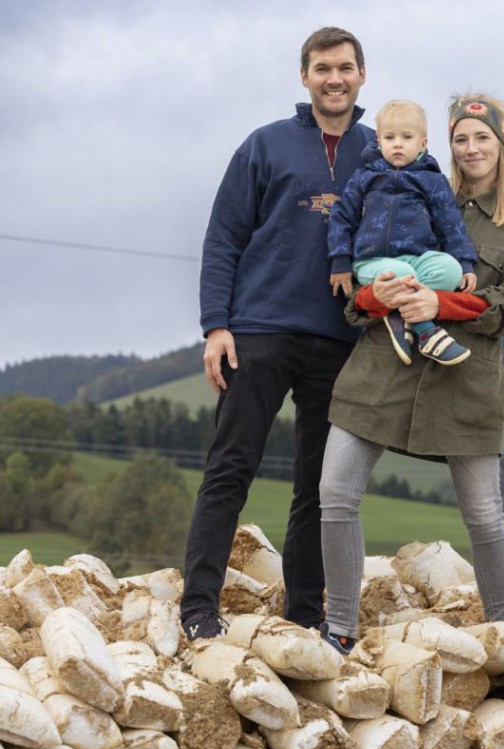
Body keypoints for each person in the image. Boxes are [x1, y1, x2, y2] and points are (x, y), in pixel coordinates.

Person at [318, 94, 504, 654]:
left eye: (482, 138)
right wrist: (376, 293)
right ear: (442, 145)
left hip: (463, 384)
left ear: (501, 144)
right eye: (461, 139)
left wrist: (438, 306)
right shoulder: (407, 189)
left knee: (485, 517)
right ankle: (340, 629)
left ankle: (503, 633)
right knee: (334, 493)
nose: (471, 149)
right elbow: (354, 304)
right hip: (379, 373)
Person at [181, 27, 374, 640]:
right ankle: (198, 609)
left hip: (342, 341)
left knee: (320, 486)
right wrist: (217, 325)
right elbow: (223, 239)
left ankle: (305, 615)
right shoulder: (264, 146)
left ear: (361, 76)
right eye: (323, 68)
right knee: (230, 468)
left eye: (345, 67)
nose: (334, 78)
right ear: (305, 77)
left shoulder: (381, 152)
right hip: (260, 330)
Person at [327, 99, 478, 367]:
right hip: (374, 262)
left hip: (418, 259)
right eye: (390, 137)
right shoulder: (364, 177)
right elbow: (341, 216)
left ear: (422, 143)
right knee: (397, 277)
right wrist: (340, 259)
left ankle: (399, 315)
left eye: (406, 137)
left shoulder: (433, 181)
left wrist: (465, 262)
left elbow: (450, 223)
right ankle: (426, 332)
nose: (397, 143)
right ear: (378, 141)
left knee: (449, 270)